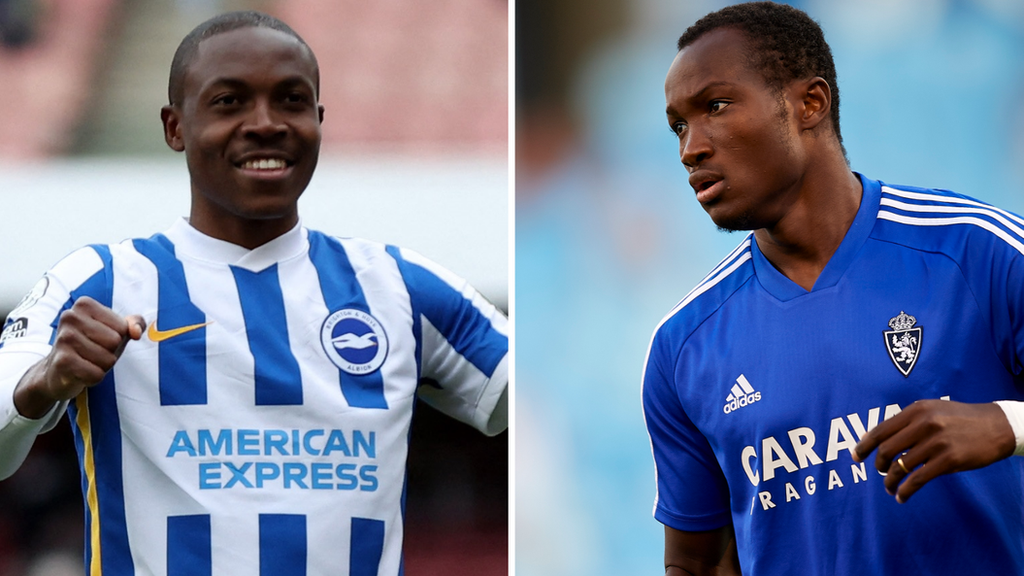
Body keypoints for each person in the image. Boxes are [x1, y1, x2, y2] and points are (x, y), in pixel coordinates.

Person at [0, 10, 508, 575]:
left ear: (319, 119)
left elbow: (548, 391)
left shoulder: (402, 287)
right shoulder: (98, 283)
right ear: (175, 127)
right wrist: (46, 382)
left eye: (291, 101)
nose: (265, 123)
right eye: (229, 102)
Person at [641, 2, 1024, 575]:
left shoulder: (974, 251)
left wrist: (1007, 425)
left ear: (808, 104)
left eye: (714, 107)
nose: (690, 148)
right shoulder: (682, 347)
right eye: (678, 125)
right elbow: (697, 564)